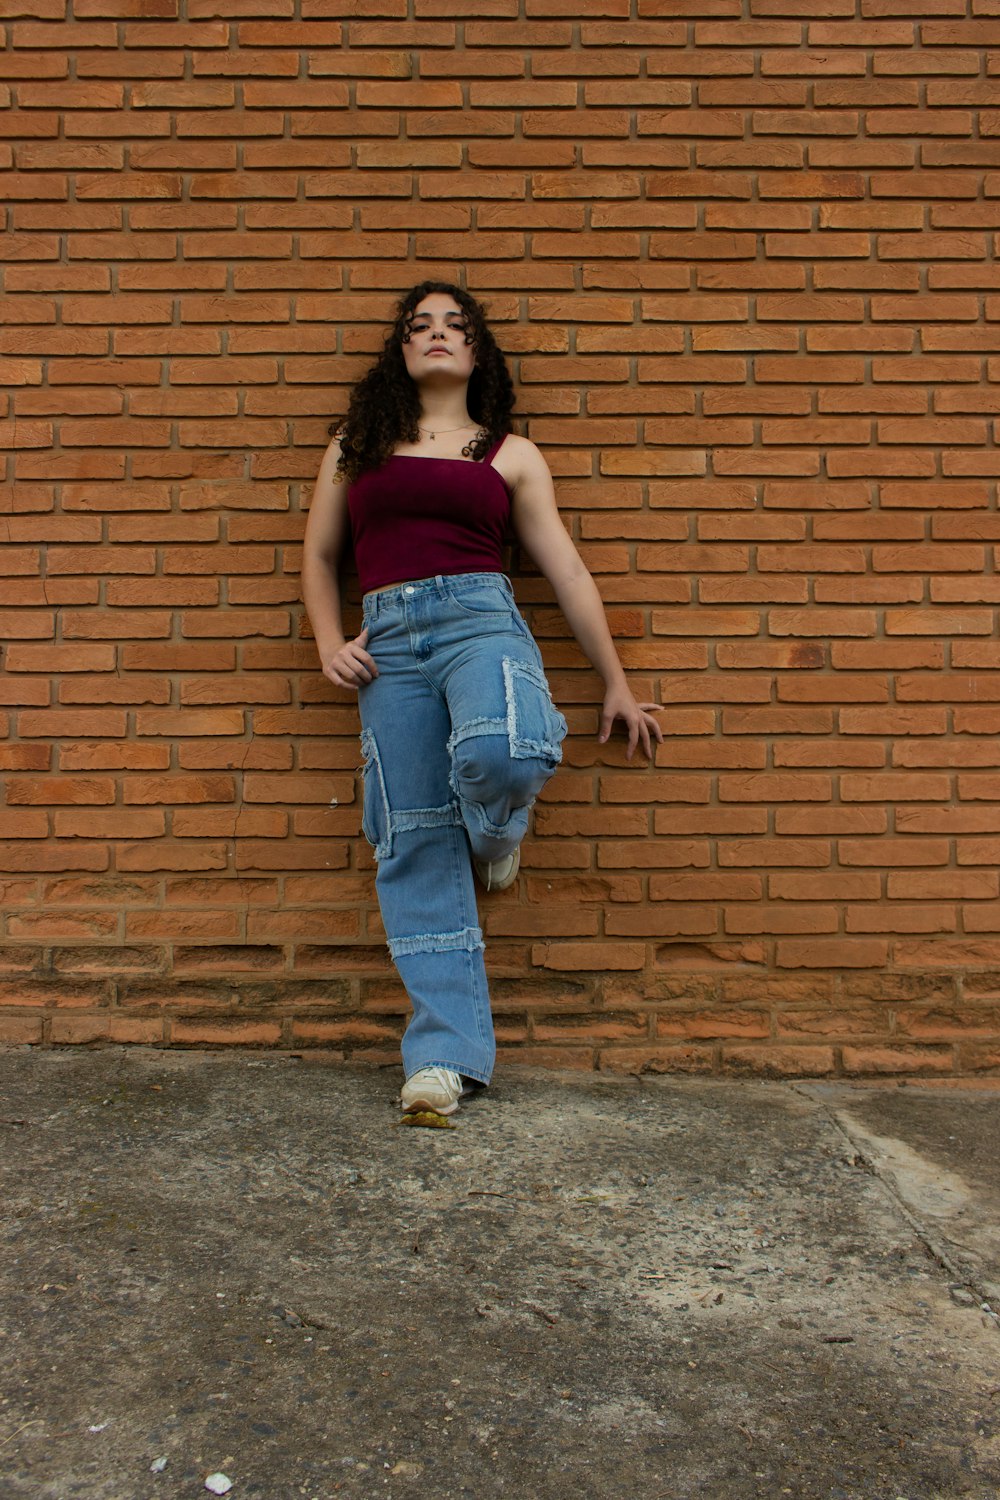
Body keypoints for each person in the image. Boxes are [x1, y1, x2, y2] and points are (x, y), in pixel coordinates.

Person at [302, 281, 663, 1118]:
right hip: (387, 639)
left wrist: (616, 681)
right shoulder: (357, 443)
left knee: (506, 746)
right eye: (419, 326)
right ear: (401, 350)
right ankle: (440, 1059)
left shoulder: (510, 454)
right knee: (412, 838)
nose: (436, 336)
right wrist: (330, 641)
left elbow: (566, 571)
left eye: (454, 327)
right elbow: (320, 558)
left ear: (476, 354)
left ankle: (499, 828)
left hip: (479, 617)